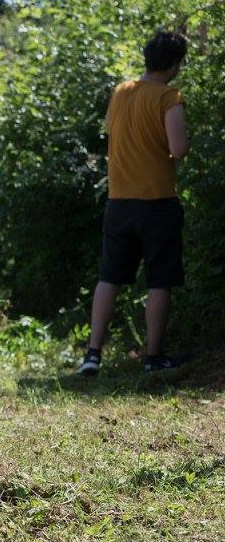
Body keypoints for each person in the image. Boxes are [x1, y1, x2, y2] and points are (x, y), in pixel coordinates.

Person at [77, 31, 190, 376]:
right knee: (159, 280)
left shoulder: (121, 92)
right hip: (157, 200)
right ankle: (153, 357)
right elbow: (179, 148)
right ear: (174, 64)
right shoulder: (169, 97)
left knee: (109, 277)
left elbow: (114, 135)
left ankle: (93, 354)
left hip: (119, 201)